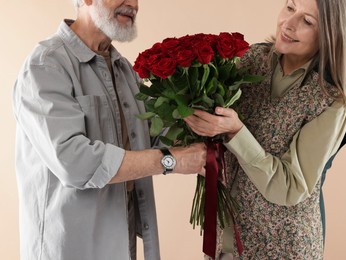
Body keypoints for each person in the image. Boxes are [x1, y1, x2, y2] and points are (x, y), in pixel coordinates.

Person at [12, 0, 207, 259]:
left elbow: (154, 133)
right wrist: (170, 161)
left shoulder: (124, 69)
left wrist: (203, 99)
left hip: (121, 244)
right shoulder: (46, 66)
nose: (133, 4)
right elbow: (74, 162)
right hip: (69, 249)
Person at [184, 0, 346, 259]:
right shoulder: (251, 59)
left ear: (331, 35)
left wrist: (236, 132)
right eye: (290, 7)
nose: (288, 24)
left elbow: (290, 186)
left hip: (283, 248)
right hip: (228, 241)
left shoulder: (331, 101)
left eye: (307, 21)